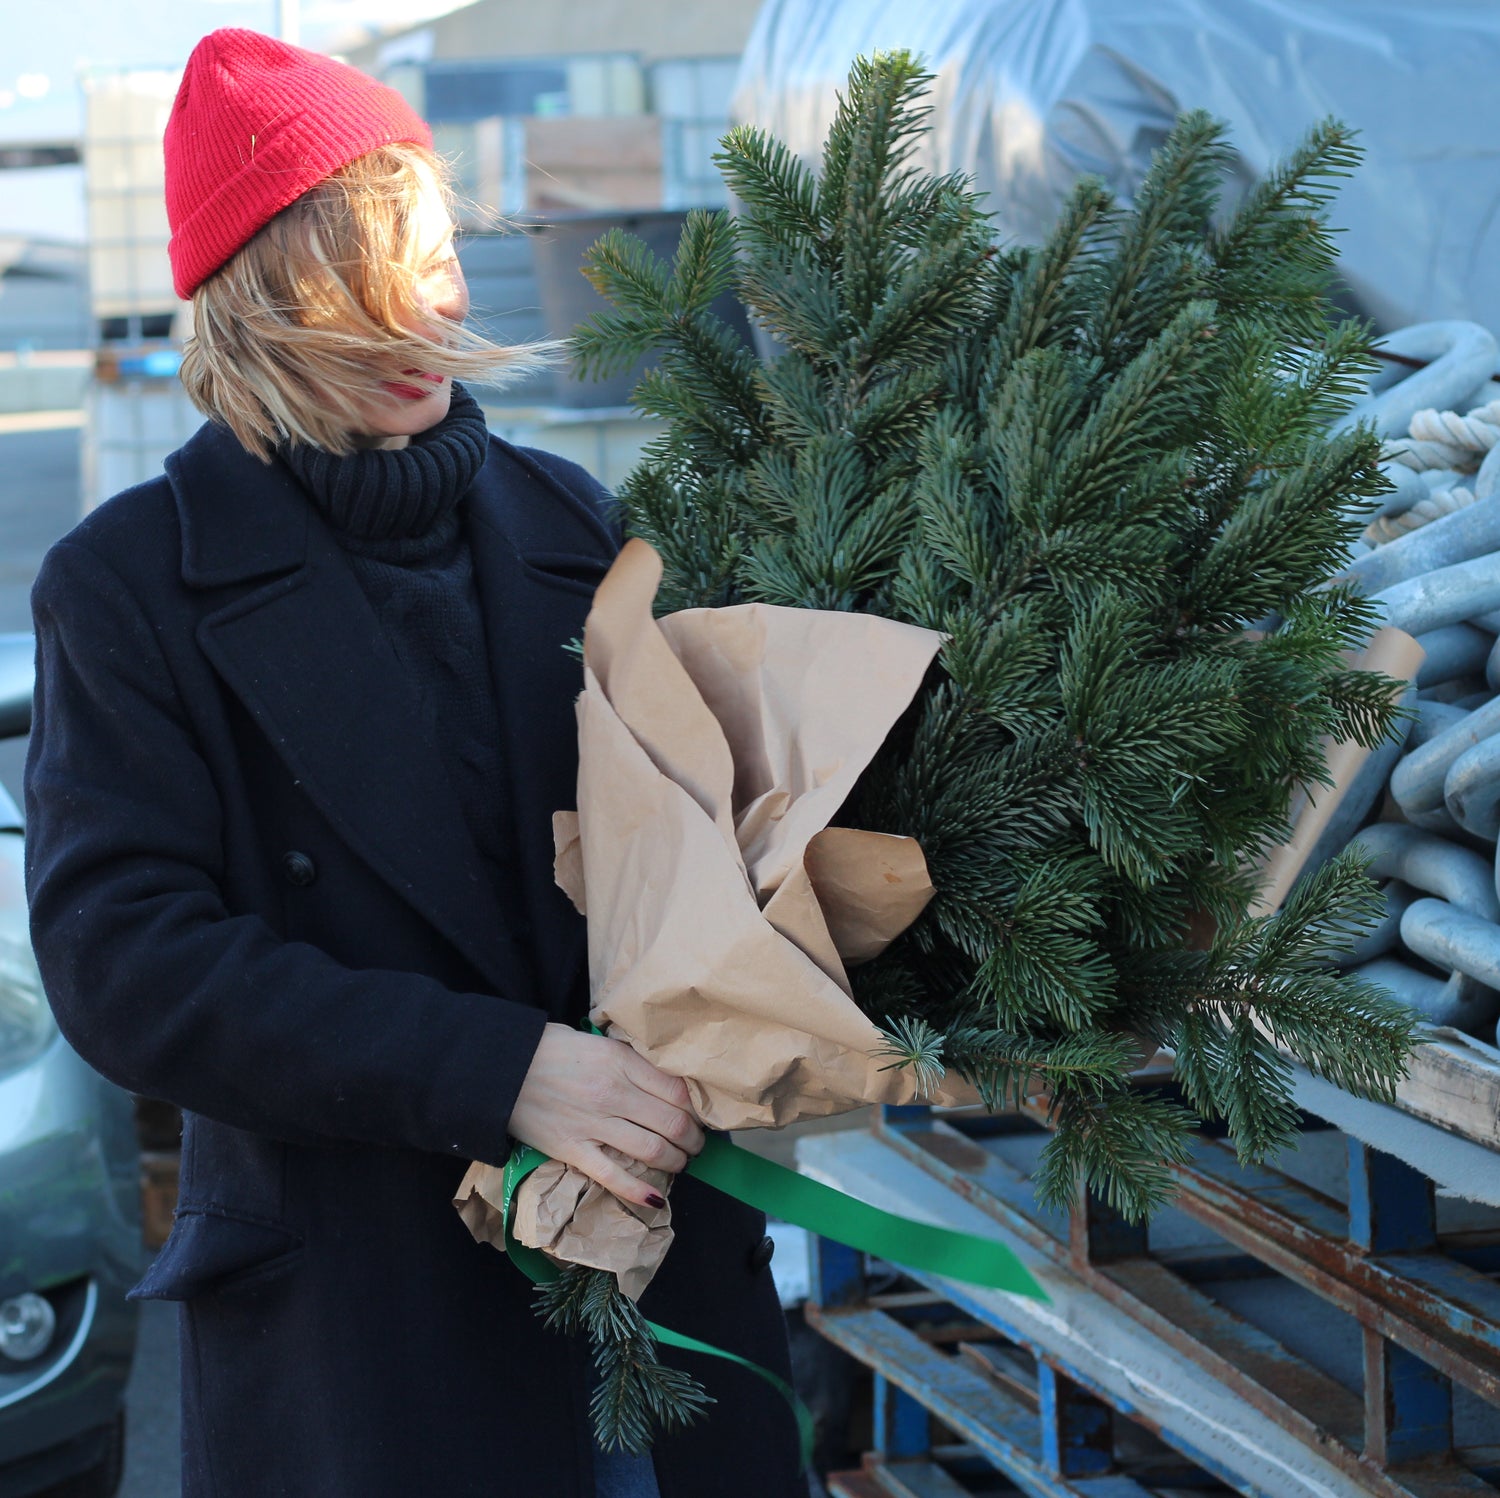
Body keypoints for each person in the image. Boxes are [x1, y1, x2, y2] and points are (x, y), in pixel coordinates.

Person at [24, 29, 804, 1498]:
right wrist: (498, 1071)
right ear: (258, 308)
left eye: (433, 253)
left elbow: (711, 840)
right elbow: (124, 959)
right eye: (356, 284)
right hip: (373, 1326)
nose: (420, 313)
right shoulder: (128, 587)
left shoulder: (573, 523)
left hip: (663, 1287)